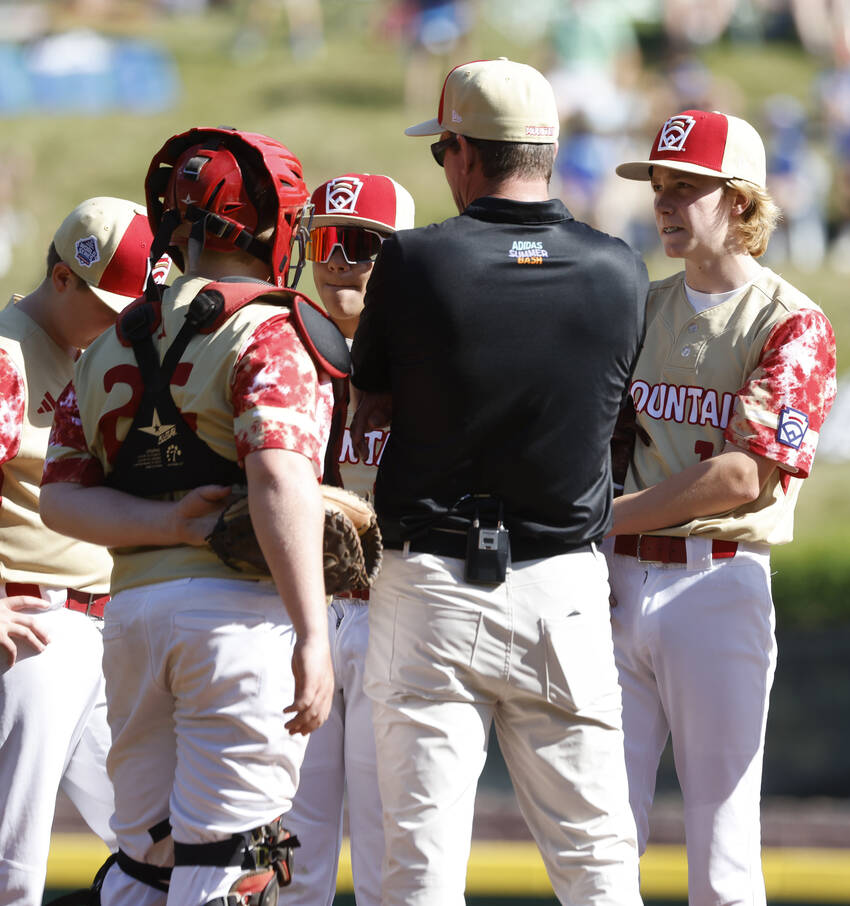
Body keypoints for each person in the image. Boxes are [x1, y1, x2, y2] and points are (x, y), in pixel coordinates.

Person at [349, 57, 648, 906]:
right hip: (563, 588)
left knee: (420, 875)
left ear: (466, 153)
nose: (443, 168)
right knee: (598, 867)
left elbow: (369, 395)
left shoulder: (414, 261)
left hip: (434, 582)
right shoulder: (621, 270)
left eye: (443, 150)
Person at [40, 127, 345, 906]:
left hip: (133, 617)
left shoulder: (111, 339)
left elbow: (62, 497)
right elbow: (279, 476)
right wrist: (314, 634)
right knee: (234, 862)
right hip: (236, 620)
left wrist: (171, 524)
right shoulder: (271, 328)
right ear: (269, 221)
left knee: (145, 861)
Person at [609, 108, 838, 905]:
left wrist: (604, 518)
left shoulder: (792, 321)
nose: (665, 203)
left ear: (741, 202)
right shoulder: (636, 305)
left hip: (717, 581)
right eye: (659, 187)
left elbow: (745, 476)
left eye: (688, 188)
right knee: (600, 840)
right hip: (614, 579)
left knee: (722, 855)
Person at [0, 196, 155, 906]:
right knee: (9, 875)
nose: (118, 319)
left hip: (92, 629)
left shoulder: (80, 351)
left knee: (162, 851)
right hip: (14, 627)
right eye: (105, 301)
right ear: (61, 277)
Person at [281, 171, 415, 906]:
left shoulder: (433, 359)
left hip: (395, 607)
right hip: (301, 609)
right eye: (326, 240)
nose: (339, 260)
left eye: (361, 243)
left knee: (388, 850)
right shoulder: (282, 351)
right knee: (291, 850)